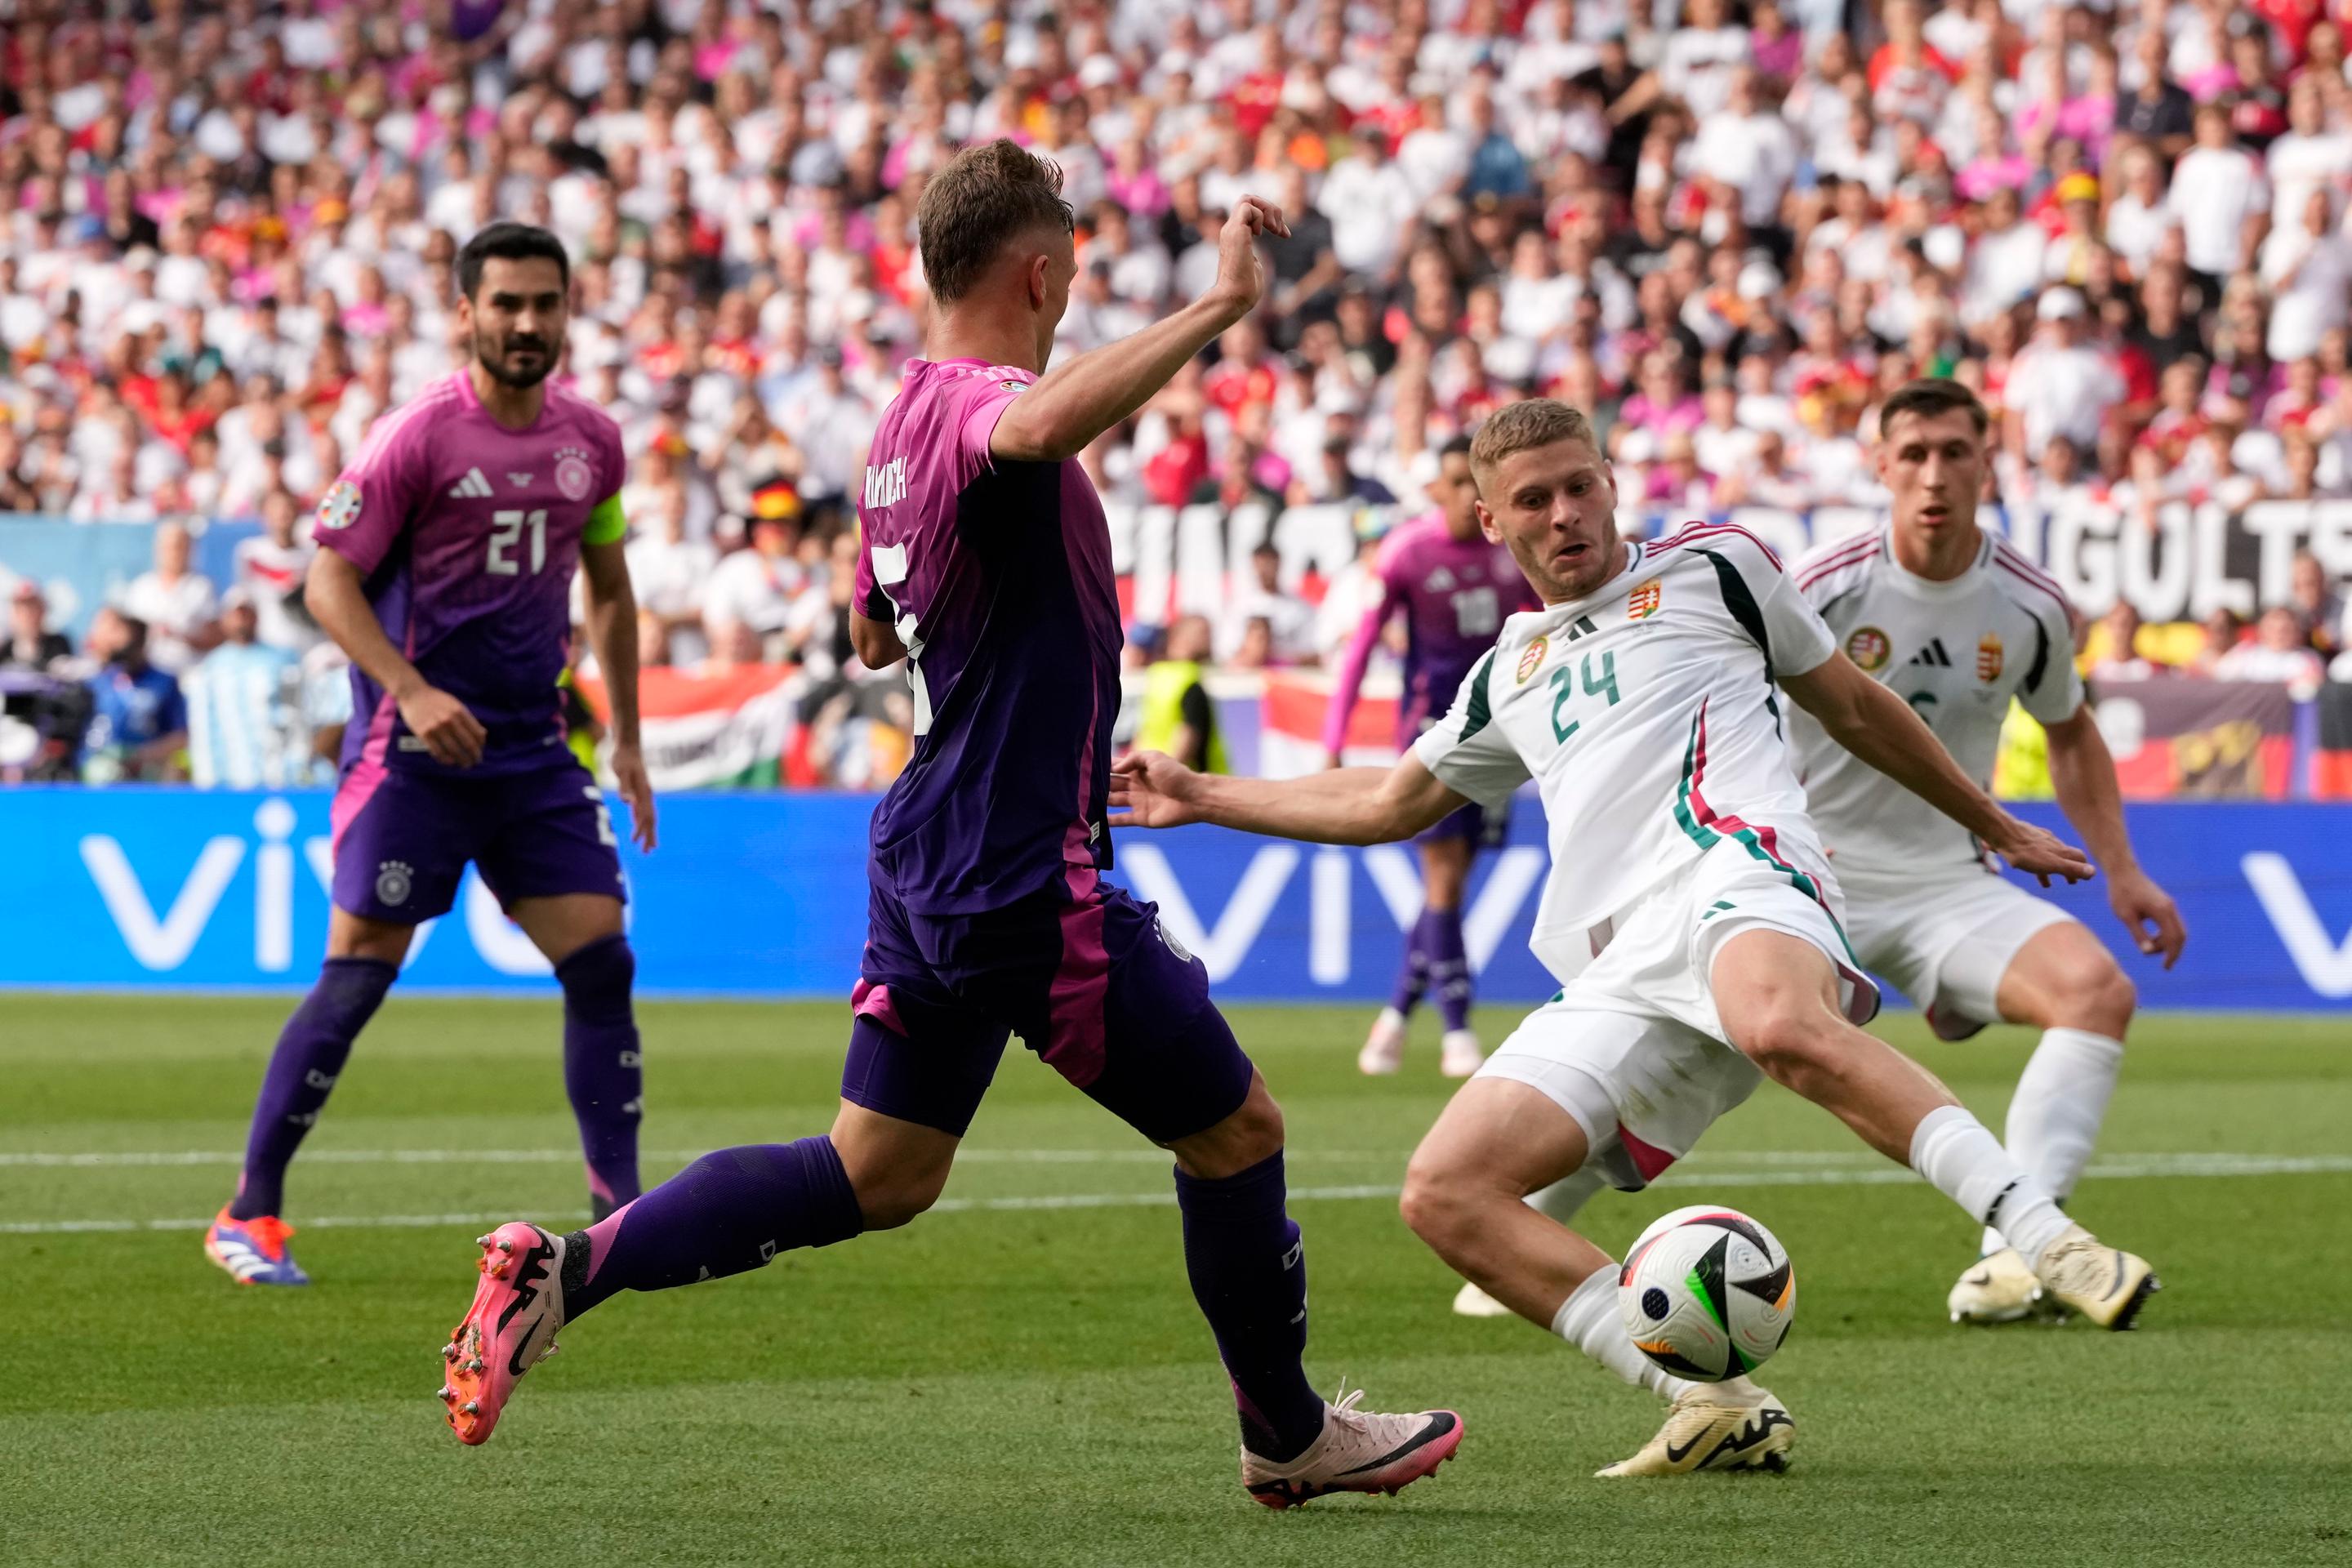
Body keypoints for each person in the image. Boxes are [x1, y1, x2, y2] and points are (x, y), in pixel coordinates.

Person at [436, 142, 1462, 1506]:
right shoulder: (988, 404)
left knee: (880, 1170)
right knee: (1239, 1132)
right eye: (1075, 276)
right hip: (1016, 865)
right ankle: (1286, 1435)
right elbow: (1030, 434)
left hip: (925, 850)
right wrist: (1218, 309)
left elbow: (869, 632)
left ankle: (567, 1270)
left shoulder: (891, 433)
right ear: (1040, 274)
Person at [1112, 398, 2158, 1479]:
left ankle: (2048, 1242)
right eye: (1535, 500)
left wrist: (1991, 822)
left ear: (1612, 484)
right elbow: (1386, 801)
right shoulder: (1503, 673)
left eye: (1581, 486)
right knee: (1446, 1192)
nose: (1566, 514)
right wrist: (1203, 791)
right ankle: (1709, 1400)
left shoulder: (1716, 566)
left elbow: (1848, 702)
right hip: (1623, 965)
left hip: (1744, 871)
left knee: (1780, 1025)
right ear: (1491, 521)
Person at [203, 223, 656, 1288]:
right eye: (507, 305)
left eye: (546, 304)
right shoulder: (416, 438)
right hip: (410, 756)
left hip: (533, 751)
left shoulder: (592, 441)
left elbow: (613, 586)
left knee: (602, 961)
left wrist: (626, 733)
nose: (528, 324)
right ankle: (249, 1213)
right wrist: (409, 693)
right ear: (466, 314)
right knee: (359, 976)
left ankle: (622, 1222)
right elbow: (327, 582)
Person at [1776, 379, 2185, 1324]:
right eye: (1912, 453)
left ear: (1987, 465)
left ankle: (2012, 1261)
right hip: (1806, 877)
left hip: (1942, 882)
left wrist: (2122, 871)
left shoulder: (2029, 603)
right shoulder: (1824, 585)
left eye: (1955, 452)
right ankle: (1529, 1220)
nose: (1934, 474)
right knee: (1708, 1042)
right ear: (1879, 466)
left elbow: (2071, 732)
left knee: (2096, 991)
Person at [1322, 434, 1540, 1077]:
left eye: (1476, 483)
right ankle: (1458, 1031)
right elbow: (1362, 646)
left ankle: (1392, 1022)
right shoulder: (1407, 554)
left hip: (1498, 738)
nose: (1466, 494)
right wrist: (1335, 734)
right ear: (1437, 490)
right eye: (1456, 482)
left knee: (1451, 883)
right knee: (1444, 880)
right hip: (1430, 734)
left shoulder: (1511, 552)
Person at [184, 588, 302, 788]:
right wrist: (207, 780)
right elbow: (203, 729)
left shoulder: (284, 660)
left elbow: (295, 718)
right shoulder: (210, 668)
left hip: (276, 778)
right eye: (235, 613)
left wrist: (294, 769)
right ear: (223, 619)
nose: (241, 619)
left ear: (257, 617)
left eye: (246, 613)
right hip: (228, 781)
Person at [82, 610, 188, 782]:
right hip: (99, 774)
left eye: (129, 642)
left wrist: (140, 755)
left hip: (146, 774)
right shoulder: (97, 681)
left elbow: (180, 736)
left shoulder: (164, 682)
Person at [1134, 613, 1226, 773]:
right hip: (1186, 780)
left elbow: (1142, 730)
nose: (1209, 639)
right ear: (1181, 637)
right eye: (1204, 633)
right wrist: (1168, 774)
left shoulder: (1157, 675)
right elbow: (1188, 734)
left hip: (1150, 770)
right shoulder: (1189, 680)